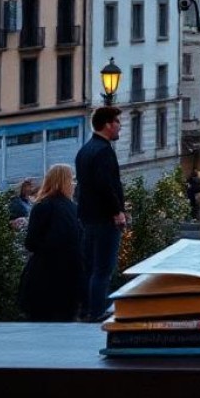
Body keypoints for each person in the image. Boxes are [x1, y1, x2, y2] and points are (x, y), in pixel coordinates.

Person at [74, 105, 125, 322]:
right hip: (105, 218)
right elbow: (106, 185)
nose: (120, 126)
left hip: (87, 217)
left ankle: (86, 308)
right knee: (103, 268)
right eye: (118, 122)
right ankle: (97, 311)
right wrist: (117, 212)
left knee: (89, 266)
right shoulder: (104, 151)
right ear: (108, 125)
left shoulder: (85, 150)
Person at [19, 164, 83, 322]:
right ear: (66, 182)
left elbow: (31, 243)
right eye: (72, 180)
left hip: (44, 276)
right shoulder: (74, 209)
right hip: (71, 277)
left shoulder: (42, 206)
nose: (74, 184)